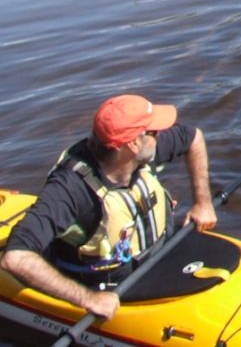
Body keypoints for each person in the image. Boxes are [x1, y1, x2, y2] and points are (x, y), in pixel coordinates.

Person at [0, 94, 217, 320]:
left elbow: (194, 137)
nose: (160, 135)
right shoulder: (69, 190)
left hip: (160, 252)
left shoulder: (139, 149)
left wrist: (203, 203)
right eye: (153, 132)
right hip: (107, 282)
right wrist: (87, 299)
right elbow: (15, 257)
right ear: (133, 144)